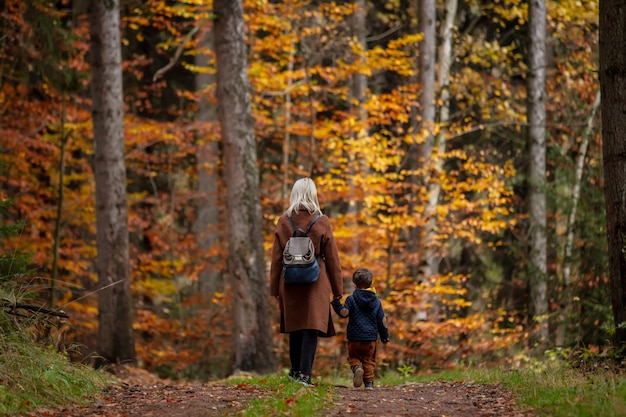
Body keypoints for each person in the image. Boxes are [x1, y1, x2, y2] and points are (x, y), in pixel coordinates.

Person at [269, 177, 343, 387]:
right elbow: (333, 259)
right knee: (310, 327)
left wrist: (274, 288)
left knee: (295, 325)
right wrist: (338, 291)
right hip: (315, 281)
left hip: (289, 281)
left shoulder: (284, 220)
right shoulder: (321, 221)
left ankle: (294, 372)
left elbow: (276, 258)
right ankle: (305, 375)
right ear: (313, 194)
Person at [331, 267, 390, 390]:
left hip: (354, 337)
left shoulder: (351, 299)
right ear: (371, 283)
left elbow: (344, 313)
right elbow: (382, 321)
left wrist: (336, 303)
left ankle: (357, 368)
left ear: (355, 284)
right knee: (369, 360)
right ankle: (369, 384)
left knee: (353, 357)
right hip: (370, 338)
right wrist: (384, 337)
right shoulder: (377, 302)